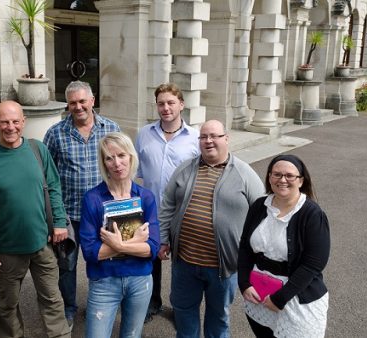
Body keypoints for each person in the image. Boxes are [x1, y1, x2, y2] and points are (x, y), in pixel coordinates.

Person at [0, 101, 71, 338]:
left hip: (43, 243)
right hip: (7, 251)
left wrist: (59, 222)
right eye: (4, 121)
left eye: (15, 121)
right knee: (8, 305)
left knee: (53, 299)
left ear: (23, 122)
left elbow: (54, 187)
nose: (10, 127)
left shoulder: (38, 150)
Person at [158, 119, 265, 338]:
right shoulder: (186, 168)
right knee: (184, 312)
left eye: (214, 136)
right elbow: (167, 203)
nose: (208, 141)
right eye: (203, 137)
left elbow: (262, 216)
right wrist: (162, 239)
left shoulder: (245, 173)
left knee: (218, 318)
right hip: (185, 262)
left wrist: (254, 257)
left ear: (226, 138)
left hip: (223, 267)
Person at [43, 80, 120, 327]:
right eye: (73, 102)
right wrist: (54, 217)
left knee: (104, 259)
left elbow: (120, 168)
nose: (78, 107)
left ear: (92, 101)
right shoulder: (55, 133)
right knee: (67, 264)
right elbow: (47, 177)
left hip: (103, 212)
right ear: (68, 104)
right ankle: (68, 307)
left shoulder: (110, 128)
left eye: (82, 101)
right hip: (69, 214)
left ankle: (101, 304)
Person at [237, 154, 330, 338]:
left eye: (289, 175)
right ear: (269, 178)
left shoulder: (312, 214)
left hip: (296, 298)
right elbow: (245, 248)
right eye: (277, 174)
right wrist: (244, 283)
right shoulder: (259, 206)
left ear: (301, 181)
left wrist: (280, 299)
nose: (282, 180)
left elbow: (313, 264)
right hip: (260, 294)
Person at [79, 132, 160, 338]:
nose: (117, 163)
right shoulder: (93, 199)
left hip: (140, 280)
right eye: (109, 157)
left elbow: (152, 248)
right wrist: (135, 242)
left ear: (131, 157)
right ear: (103, 163)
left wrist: (119, 245)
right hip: (104, 282)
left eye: (121, 155)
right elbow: (90, 252)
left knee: (131, 335)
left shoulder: (146, 197)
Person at [135, 82, 199, 321]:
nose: (165, 108)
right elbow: (136, 171)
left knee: (183, 264)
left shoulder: (195, 137)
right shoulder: (144, 134)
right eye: (161, 103)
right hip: (151, 211)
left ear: (181, 104)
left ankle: (181, 309)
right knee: (151, 258)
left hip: (184, 211)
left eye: (171, 102)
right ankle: (152, 304)